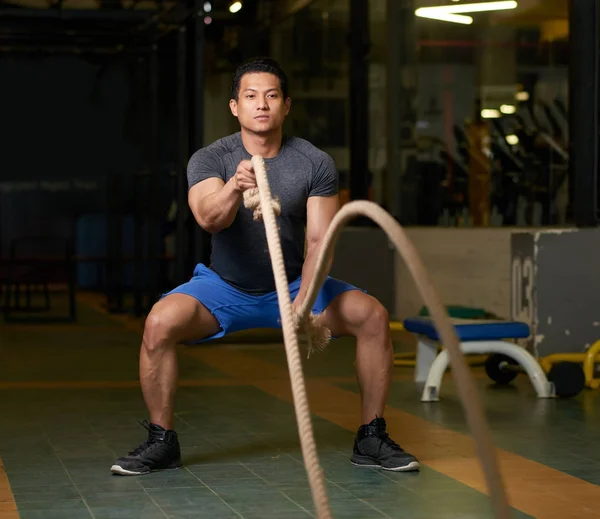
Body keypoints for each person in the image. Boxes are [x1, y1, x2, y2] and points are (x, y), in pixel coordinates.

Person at [110, 57, 420, 476]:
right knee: (159, 324)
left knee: (373, 317)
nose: (262, 105)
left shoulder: (315, 163)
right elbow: (208, 218)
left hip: (294, 285)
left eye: (272, 96)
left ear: (286, 106)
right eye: (251, 96)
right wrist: (235, 188)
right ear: (235, 106)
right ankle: (162, 441)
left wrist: (304, 301)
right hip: (225, 288)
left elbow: (319, 242)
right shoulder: (210, 159)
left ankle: (371, 435)